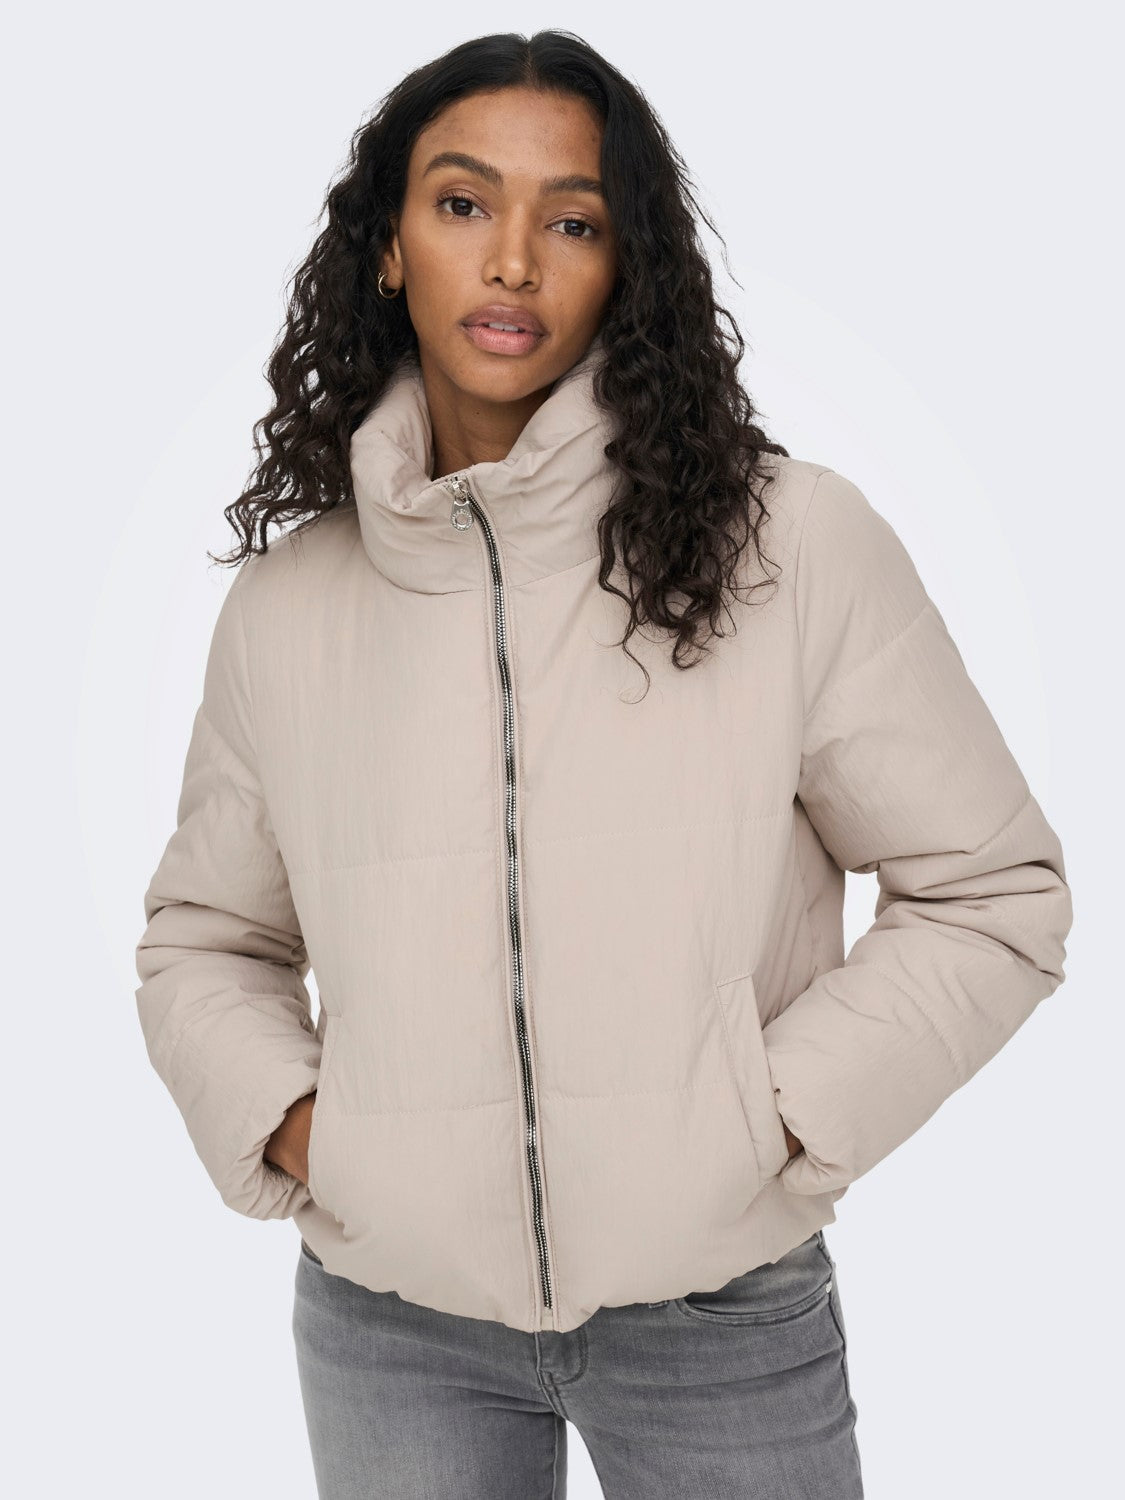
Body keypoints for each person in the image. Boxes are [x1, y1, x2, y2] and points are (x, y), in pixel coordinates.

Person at [133, 29, 1073, 1500]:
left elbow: (993, 891)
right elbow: (208, 939)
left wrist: (762, 1125)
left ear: (625, 267)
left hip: (718, 1316)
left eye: (571, 222)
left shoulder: (787, 545)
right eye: (462, 204)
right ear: (387, 246)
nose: (512, 261)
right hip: (392, 1330)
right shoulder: (290, 606)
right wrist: (316, 1137)